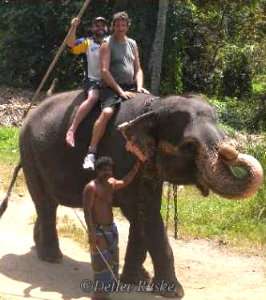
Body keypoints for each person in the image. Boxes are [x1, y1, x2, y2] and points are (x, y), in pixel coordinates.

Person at [83, 11, 149, 170]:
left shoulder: (132, 43)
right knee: (106, 113)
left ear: (127, 26)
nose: (120, 27)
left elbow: (138, 69)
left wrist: (139, 87)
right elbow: (104, 71)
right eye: (117, 25)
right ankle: (91, 153)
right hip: (111, 87)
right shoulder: (107, 43)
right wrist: (120, 91)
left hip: (131, 86)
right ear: (113, 26)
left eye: (123, 25)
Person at [82, 156, 141, 298]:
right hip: (98, 230)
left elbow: (125, 181)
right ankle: (98, 296)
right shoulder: (91, 188)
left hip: (111, 229)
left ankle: (105, 295)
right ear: (98, 171)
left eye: (109, 170)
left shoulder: (112, 183)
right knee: (102, 265)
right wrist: (92, 232)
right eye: (104, 171)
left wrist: (136, 168)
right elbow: (87, 211)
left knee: (113, 262)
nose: (107, 173)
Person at [65, 16, 108, 148]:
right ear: (92, 28)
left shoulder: (111, 42)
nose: (100, 27)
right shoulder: (86, 42)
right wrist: (73, 27)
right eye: (97, 25)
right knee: (93, 98)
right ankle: (72, 129)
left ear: (106, 27)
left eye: (102, 25)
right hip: (93, 80)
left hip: (110, 80)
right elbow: (70, 45)